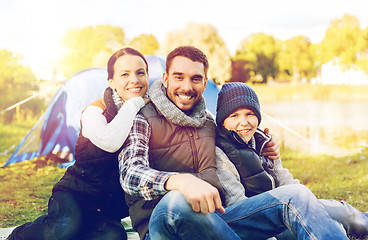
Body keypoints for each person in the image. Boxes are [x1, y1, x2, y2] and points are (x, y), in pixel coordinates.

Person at [119, 45, 349, 239]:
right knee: (178, 201)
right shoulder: (142, 117)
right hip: (164, 223)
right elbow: (130, 174)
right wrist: (180, 182)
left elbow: (238, 137)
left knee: (296, 195)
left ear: (205, 81)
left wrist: (263, 144)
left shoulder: (208, 121)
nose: (187, 87)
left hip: (219, 217)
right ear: (166, 78)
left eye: (196, 79)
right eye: (179, 77)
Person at [8, 47, 150, 240]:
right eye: (125, 74)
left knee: (114, 236)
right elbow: (110, 141)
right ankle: (19, 234)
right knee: (64, 228)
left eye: (140, 73)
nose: (134, 79)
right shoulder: (95, 111)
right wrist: (134, 103)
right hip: (76, 193)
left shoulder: (149, 113)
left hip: (107, 207)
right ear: (112, 81)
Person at [215, 81, 368, 239]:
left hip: (286, 207)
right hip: (264, 223)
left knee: (342, 213)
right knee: (333, 226)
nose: (244, 122)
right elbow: (239, 206)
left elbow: (283, 178)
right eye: (234, 115)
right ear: (222, 121)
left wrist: (310, 206)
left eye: (250, 114)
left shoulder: (262, 142)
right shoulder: (220, 153)